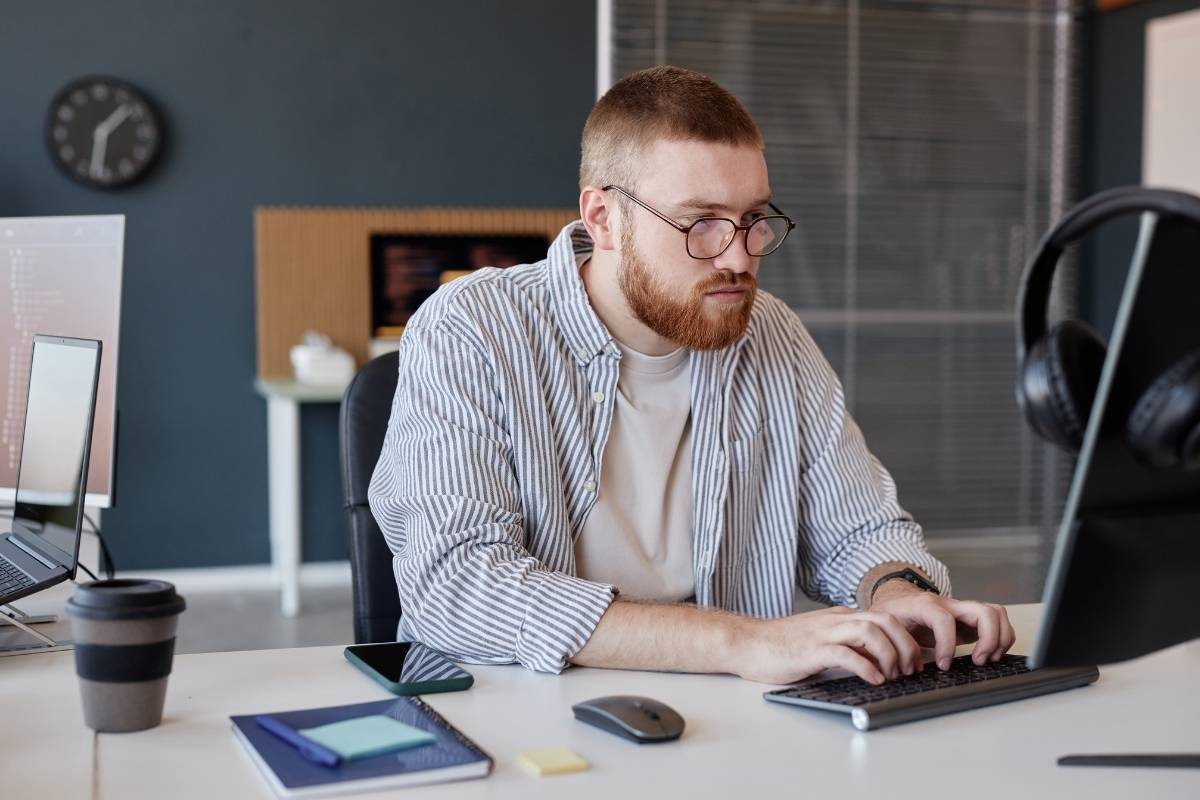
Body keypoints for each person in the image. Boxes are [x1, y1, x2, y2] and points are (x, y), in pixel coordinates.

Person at [368, 65, 1015, 686]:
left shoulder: (771, 333)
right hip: (526, 714)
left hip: (731, 719)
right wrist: (742, 642)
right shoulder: (473, 328)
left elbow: (861, 530)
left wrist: (896, 589)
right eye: (700, 223)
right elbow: (456, 583)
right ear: (603, 218)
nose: (738, 256)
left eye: (753, 219)